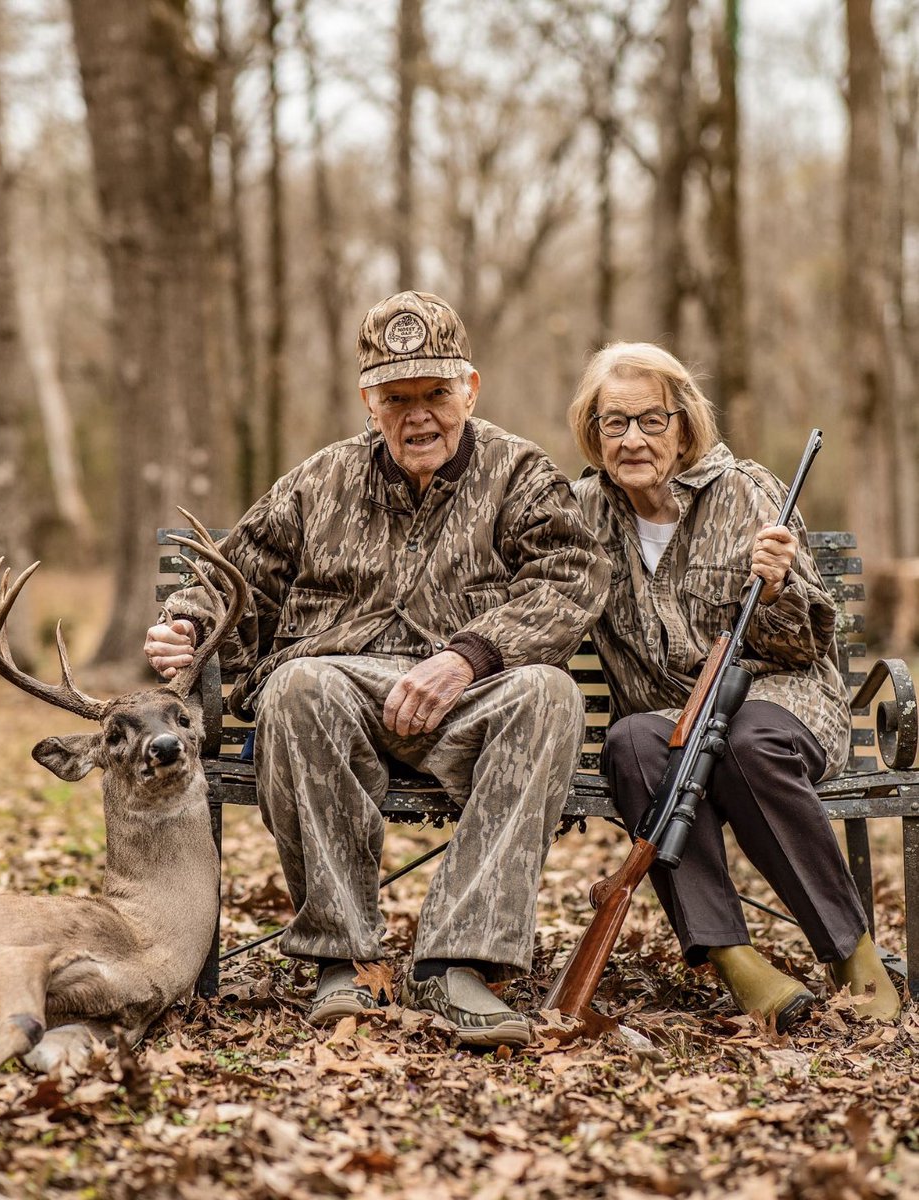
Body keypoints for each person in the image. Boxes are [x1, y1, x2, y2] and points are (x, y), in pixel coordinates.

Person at [145, 290, 610, 1048]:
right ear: (369, 400)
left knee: (550, 694)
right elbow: (240, 575)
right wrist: (189, 624)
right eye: (397, 397)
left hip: (470, 701)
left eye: (436, 392)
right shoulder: (320, 480)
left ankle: (458, 962)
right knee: (296, 687)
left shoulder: (519, 474)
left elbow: (571, 580)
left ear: (471, 388)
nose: (418, 414)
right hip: (338, 695)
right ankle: (346, 959)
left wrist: (468, 657)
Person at [567, 341, 900, 1030]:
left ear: (683, 425)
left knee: (745, 742)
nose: (632, 439)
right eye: (613, 423)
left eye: (650, 420)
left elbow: (810, 644)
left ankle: (849, 950)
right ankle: (734, 961)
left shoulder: (745, 491)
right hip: (668, 720)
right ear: (592, 433)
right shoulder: (580, 515)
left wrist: (776, 588)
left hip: (778, 701)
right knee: (629, 742)